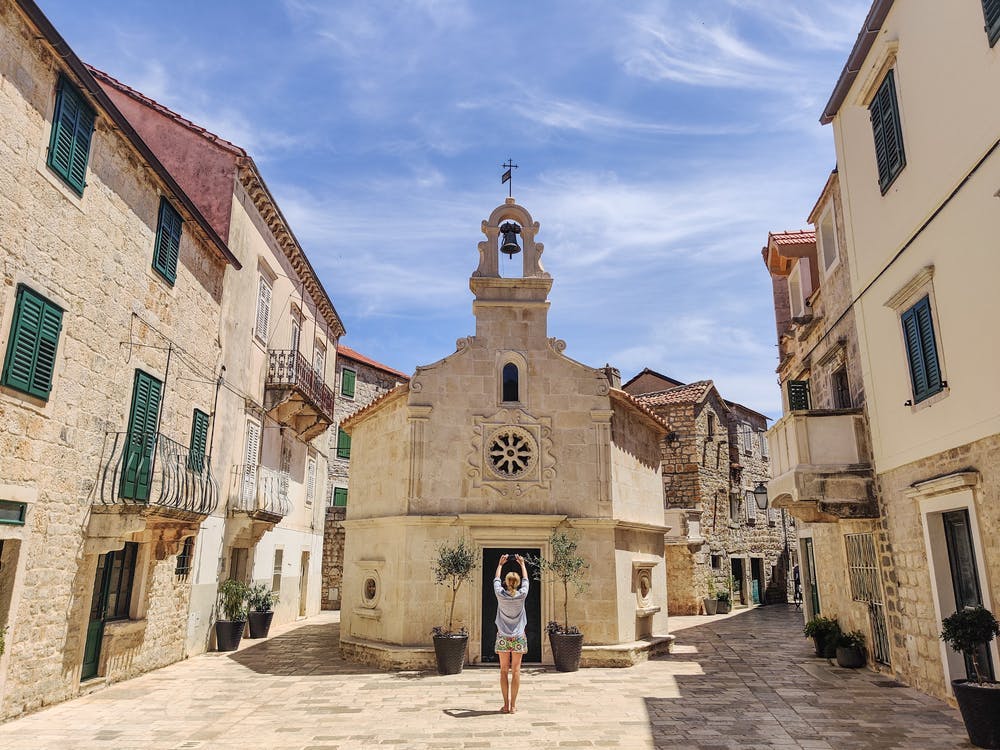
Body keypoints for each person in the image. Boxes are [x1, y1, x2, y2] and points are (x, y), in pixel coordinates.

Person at [494, 553, 529, 714]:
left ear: (506, 582)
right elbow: (526, 581)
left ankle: (505, 705)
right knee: (516, 670)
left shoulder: (500, 594)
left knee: (503, 670)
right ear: (518, 583)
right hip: (518, 637)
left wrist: (500, 564)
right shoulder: (522, 595)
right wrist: (522, 564)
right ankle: (513, 706)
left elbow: (496, 580)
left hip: (503, 636)